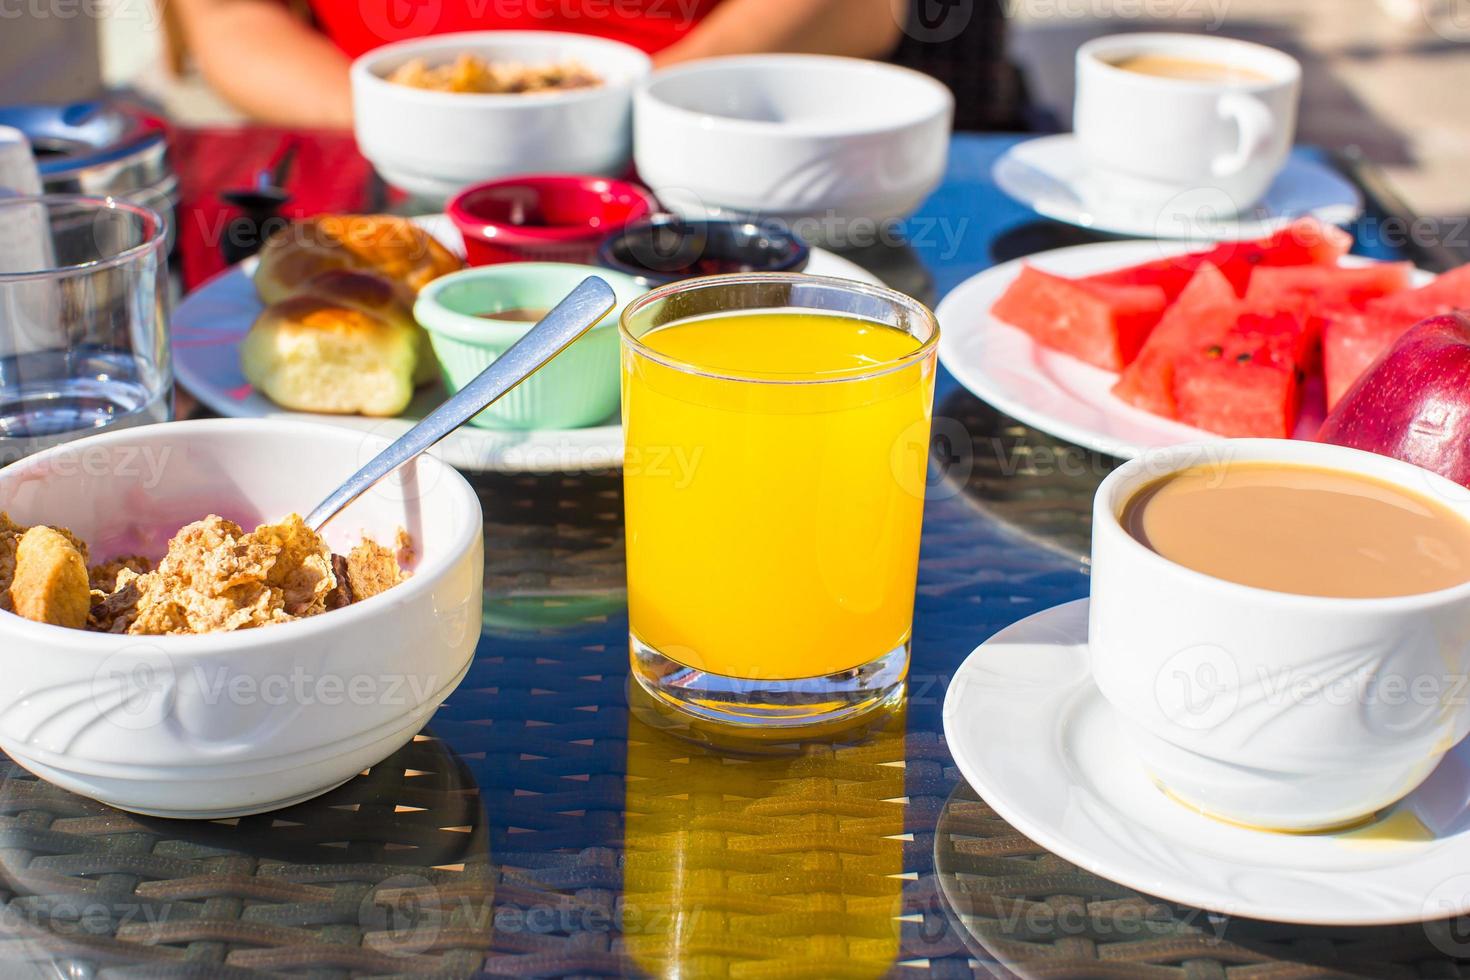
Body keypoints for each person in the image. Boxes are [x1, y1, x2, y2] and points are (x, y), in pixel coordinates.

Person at [172, 0, 907, 128]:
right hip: (374, 157)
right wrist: (401, 115)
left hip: (693, 122)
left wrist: (654, 91)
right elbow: (230, 17)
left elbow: (870, 10)